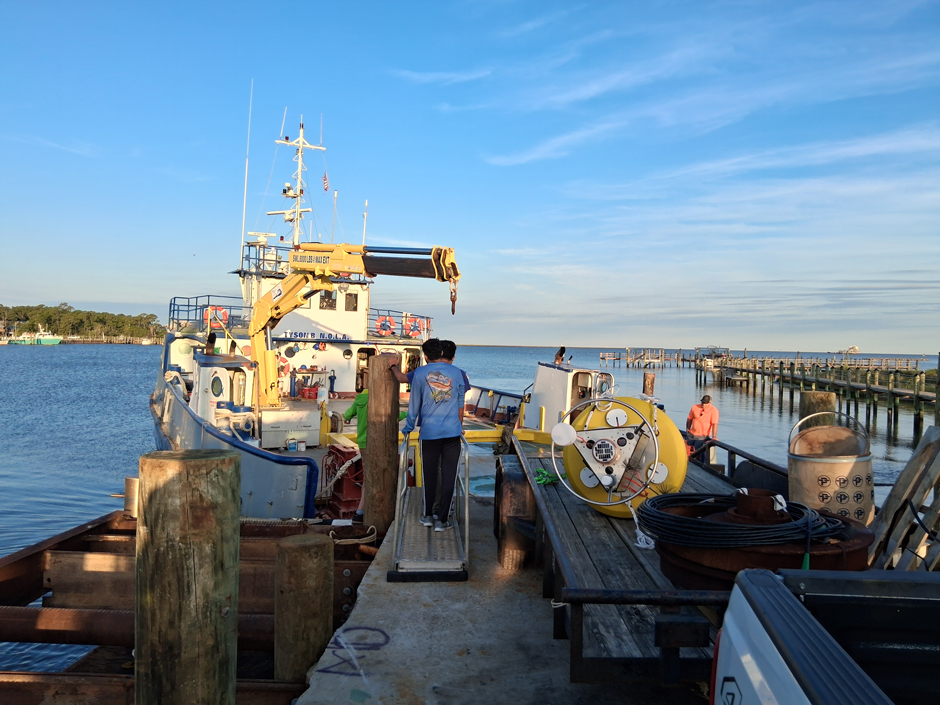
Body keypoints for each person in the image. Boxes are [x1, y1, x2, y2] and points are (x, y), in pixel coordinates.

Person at [400, 338, 467, 532]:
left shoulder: (420, 373)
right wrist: (458, 426)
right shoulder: (458, 373)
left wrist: (409, 426)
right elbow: (461, 403)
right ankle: (442, 520)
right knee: (449, 476)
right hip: (452, 433)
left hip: (429, 433)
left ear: (426, 356)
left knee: (429, 475)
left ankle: (428, 516)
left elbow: (414, 405)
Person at [343, 374, 407, 522]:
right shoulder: (380, 398)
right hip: (380, 441)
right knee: (377, 476)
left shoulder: (360, 399)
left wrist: (348, 418)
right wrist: (410, 414)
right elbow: (394, 415)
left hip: (363, 442)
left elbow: (347, 415)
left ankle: (362, 510)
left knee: (369, 474)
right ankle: (361, 511)